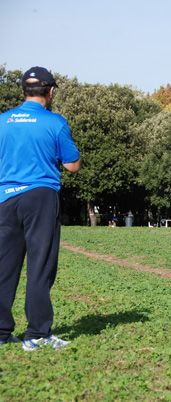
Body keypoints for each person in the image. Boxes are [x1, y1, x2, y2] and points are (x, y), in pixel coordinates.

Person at [0, 67, 81, 350]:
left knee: (4, 266)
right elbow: (72, 166)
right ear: (51, 91)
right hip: (40, 197)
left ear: (23, 90)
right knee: (40, 265)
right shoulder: (55, 122)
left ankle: (0, 333)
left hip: (4, 199)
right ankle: (36, 335)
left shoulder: (2, 121)